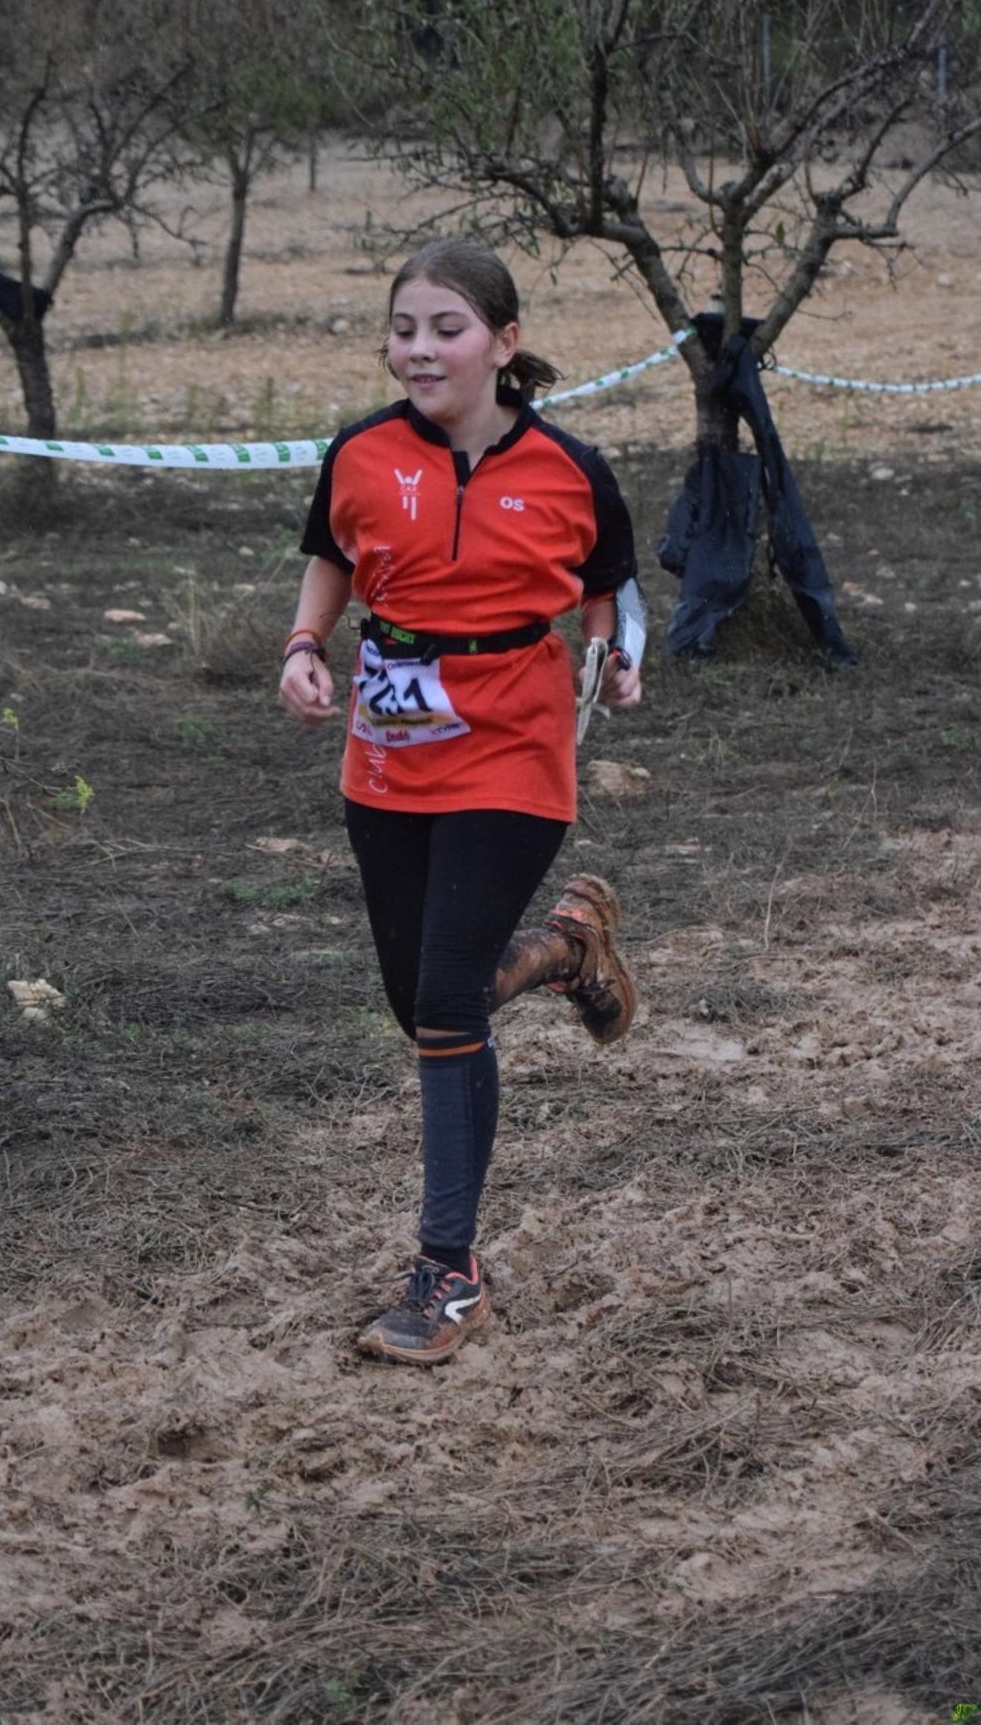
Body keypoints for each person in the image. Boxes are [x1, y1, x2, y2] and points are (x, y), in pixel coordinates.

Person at [278, 238, 644, 1368]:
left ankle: (448, 1271)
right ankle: (565, 955)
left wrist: (616, 656)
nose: (420, 349)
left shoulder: (572, 467)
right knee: (425, 1002)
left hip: (515, 745)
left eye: (445, 327)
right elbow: (331, 557)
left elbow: (610, 590)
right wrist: (304, 643)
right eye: (404, 329)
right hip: (386, 753)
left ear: (504, 342)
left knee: (444, 999)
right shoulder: (358, 452)